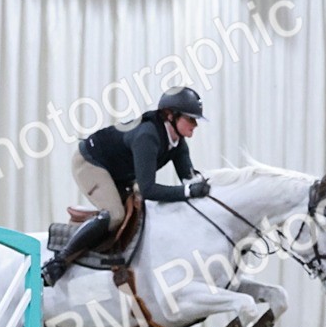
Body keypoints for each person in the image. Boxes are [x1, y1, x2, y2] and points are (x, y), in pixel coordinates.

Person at [41, 86, 211, 287]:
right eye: (191, 119)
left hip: (119, 172)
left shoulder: (178, 144)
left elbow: (189, 179)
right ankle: (58, 262)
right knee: (115, 215)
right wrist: (189, 191)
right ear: (170, 115)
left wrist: (204, 188)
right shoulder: (148, 136)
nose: (195, 124)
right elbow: (149, 190)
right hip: (90, 162)